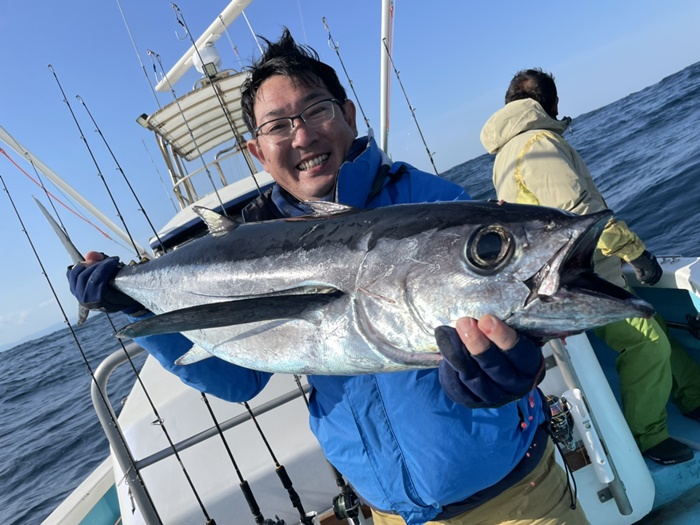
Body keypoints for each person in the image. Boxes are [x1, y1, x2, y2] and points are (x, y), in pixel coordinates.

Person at [68, 34, 589, 525]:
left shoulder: (443, 208)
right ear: (258, 150)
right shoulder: (250, 238)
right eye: (276, 125)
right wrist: (138, 306)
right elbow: (238, 378)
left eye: (316, 110)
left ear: (347, 114)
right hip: (385, 513)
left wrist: (512, 370)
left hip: (516, 501)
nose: (302, 136)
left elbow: (510, 307)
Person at [480, 67, 700, 466]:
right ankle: (649, 437)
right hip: (582, 276)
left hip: (561, 275)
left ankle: (694, 395)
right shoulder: (539, 141)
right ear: (550, 103)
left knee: (654, 327)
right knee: (645, 342)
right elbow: (581, 213)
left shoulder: (503, 156)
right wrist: (636, 252)